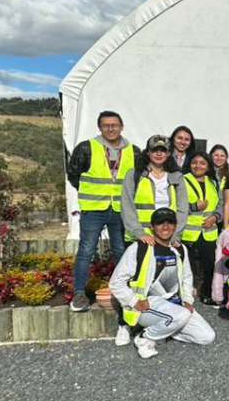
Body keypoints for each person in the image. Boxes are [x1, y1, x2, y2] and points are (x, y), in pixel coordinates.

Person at [108, 208, 215, 359]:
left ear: (175, 225)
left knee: (207, 337)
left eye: (170, 222)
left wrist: (188, 300)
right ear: (151, 226)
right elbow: (115, 282)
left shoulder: (180, 249)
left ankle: (163, 331)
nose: (165, 227)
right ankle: (145, 337)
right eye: (160, 223)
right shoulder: (139, 248)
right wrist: (134, 301)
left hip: (176, 306)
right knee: (181, 315)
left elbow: (187, 278)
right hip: (147, 306)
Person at [66, 110, 139, 313]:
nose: (110, 128)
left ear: (121, 126)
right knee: (86, 251)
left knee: (121, 252)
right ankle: (79, 293)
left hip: (120, 209)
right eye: (106, 125)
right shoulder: (87, 148)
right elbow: (73, 174)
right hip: (94, 208)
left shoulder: (134, 151)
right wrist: (91, 193)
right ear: (100, 128)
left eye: (114, 125)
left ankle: (123, 290)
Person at [120, 135, 188, 247]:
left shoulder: (177, 177)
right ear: (148, 152)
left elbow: (182, 209)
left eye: (163, 150)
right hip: (140, 238)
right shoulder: (133, 175)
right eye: (154, 150)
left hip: (167, 237)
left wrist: (175, 235)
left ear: (169, 153)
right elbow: (127, 206)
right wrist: (139, 233)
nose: (159, 154)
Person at [180, 152, 222, 306]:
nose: (198, 166)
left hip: (208, 231)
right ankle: (186, 294)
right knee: (187, 266)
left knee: (209, 264)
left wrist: (215, 217)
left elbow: (220, 205)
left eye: (202, 163)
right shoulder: (183, 180)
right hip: (189, 232)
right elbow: (177, 204)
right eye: (194, 162)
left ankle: (206, 293)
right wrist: (193, 207)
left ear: (208, 166)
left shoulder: (213, 182)